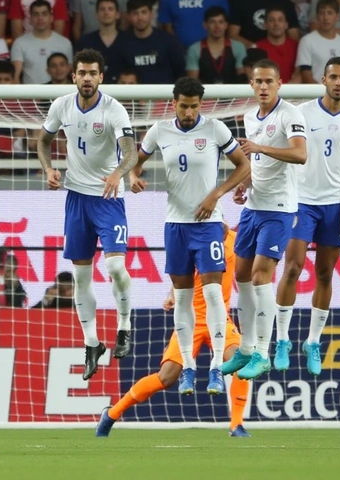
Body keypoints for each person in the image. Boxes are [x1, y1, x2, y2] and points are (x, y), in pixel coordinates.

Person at [131, 76, 250, 394]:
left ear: (201, 105)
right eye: (183, 106)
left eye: (194, 106)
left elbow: (243, 165)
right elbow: (136, 161)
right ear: (174, 104)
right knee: (182, 299)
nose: (188, 112)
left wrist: (217, 194)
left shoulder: (215, 129)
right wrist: (132, 176)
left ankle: (215, 369)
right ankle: (188, 367)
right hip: (176, 225)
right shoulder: (160, 131)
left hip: (209, 224)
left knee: (213, 297)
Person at [37, 48, 139, 380]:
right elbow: (43, 140)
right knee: (80, 277)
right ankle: (92, 343)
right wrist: (49, 168)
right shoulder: (61, 105)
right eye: (81, 73)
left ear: (100, 77)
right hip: (76, 199)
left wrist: (118, 173)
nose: (87, 78)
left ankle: (124, 324)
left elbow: (131, 154)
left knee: (114, 266)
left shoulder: (114, 110)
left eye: (92, 73)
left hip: (108, 199)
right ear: (74, 76)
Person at [95, 224, 251, 438]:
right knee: (167, 377)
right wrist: (171, 294)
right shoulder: (193, 239)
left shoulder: (235, 240)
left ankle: (236, 425)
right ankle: (111, 414)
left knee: (241, 362)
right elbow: (182, 277)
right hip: (192, 321)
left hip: (220, 320)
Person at [222, 59, 307, 380]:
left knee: (260, 276)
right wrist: (244, 186)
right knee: (240, 276)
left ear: (279, 84)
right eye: (258, 82)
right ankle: (244, 349)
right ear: (251, 84)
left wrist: (260, 146)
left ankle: (262, 351)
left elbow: (300, 154)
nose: (263, 87)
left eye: (268, 81)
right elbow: (257, 164)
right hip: (254, 207)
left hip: (280, 208)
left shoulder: (290, 114)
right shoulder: (248, 116)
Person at [273, 57, 340, 375]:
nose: (339, 83)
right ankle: (282, 339)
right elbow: (282, 149)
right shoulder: (303, 112)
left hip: (337, 204)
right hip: (302, 202)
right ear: (323, 79)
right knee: (293, 267)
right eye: (334, 77)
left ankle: (313, 341)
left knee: (326, 274)